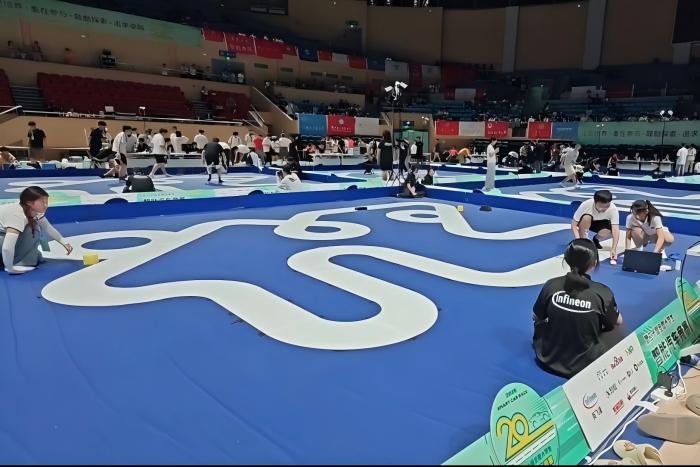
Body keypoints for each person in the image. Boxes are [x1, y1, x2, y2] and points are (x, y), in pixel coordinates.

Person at [532, 239, 623, 378]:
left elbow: (536, 316)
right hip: (585, 366)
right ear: (594, 264)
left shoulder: (551, 285)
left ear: (566, 260)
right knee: (616, 327)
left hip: (547, 359)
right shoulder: (602, 292)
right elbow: (618, 321)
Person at [1, 187, 73, 275]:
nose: (46, 205)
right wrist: (10, 268)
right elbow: (7, 248)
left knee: (36, 254)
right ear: (29, 203)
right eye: (43, 202)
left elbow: (47, 227)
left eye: (47, 202)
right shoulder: (17, 215)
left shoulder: (34, 211)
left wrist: (64, 242)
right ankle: (16, 262)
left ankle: (19, 259)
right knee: (32, 230)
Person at [571, 189, 620, 262]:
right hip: (585, 222)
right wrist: (578, 241)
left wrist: (613, 249)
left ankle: (596, 239)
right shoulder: (586, 204)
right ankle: (583, 241)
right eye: (601, 206)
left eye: (607, 206)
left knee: (609, 231)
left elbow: (616, 229)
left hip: (600, 222)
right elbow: (574, 225)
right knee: (586, 217)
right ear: (595, 202)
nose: (604, 209)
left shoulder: (613, 209)